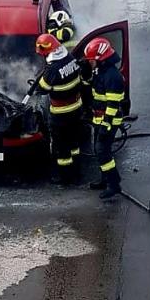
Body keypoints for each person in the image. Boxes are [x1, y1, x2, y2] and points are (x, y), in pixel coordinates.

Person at [33, 32, 85, 184]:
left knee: (62, 147)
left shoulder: (52, 70)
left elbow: (42, 89)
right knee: (74, 143)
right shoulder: (70, 58)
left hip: (60, 114)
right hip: (76, 108)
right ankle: (77, 172)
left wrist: (41, 78)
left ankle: (64, 178)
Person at [83, 36, 126, 200]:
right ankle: (104, 179)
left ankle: (114, 184)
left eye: (91, 60)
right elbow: (94, 88)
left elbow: (113, 105)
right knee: (98, 150)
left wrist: (106, 125)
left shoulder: (112, 77)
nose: (89, 62)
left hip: (108, 121)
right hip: (98, 119)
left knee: (103, 152)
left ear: (101, 59)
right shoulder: (101, 71)